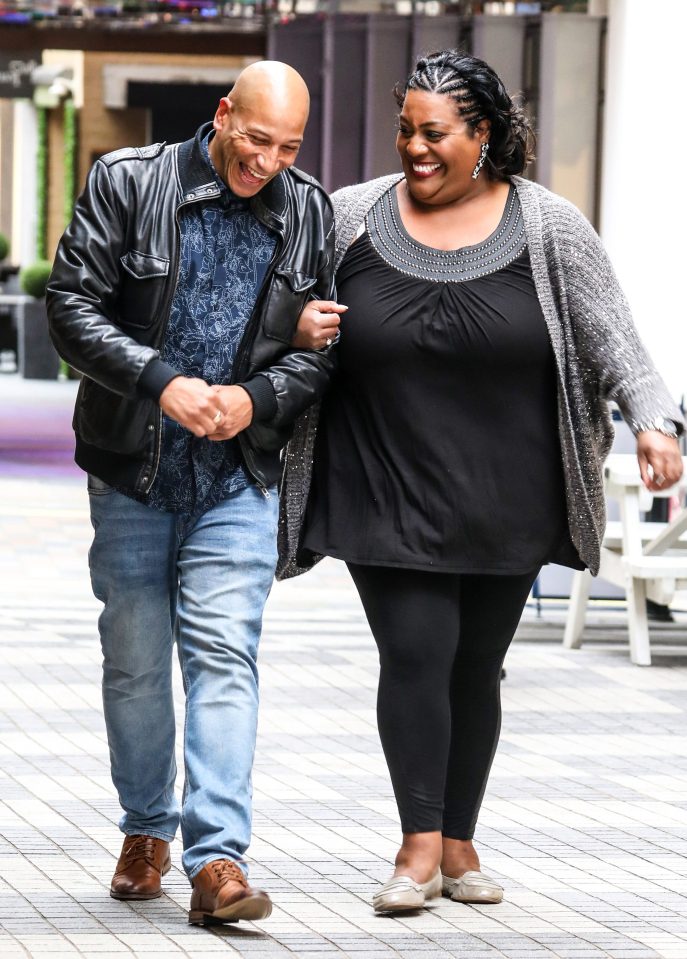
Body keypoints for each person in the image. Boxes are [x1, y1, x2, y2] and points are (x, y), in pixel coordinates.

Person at [279, 50, 684, 914]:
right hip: (378, 480)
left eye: (434, 133)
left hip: (510, 490)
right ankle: (417, 843)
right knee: (416, 652)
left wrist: (654, 421)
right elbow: (280, 315)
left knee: (477, 666)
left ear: (483, 135)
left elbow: (615, 339)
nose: (414, 148)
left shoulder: (547, 226)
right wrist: (297, 326)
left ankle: (458, 836)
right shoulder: (350, 216)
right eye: (405, 131)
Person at [47, 60, 345, 925]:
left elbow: (317, 350)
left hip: (237, 474)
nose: (269, 163)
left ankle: (218, 859)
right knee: (136, 661)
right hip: (132, 466)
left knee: (223, 656)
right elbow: (72, 305)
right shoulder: (127, 182)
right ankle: (146, 832)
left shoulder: (307, 210)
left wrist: (255, 398)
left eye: (288, 148)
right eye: (256, 140)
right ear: (222, 115)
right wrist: (161, 381)